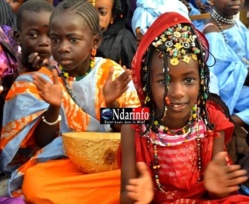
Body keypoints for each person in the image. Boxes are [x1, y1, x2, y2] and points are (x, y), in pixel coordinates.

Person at [1, 0, 140, 203]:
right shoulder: (41, 80)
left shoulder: (110, 73)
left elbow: (137, 124)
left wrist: (112, 106)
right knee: (35, 183)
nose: (63, 48)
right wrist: (54, 107)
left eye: (73, 40)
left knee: (130, 181)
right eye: (55, 39)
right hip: (64, 164)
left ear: (94, 42)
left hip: (109, 164)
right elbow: (43, 143)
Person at [120, 11, 249, 203]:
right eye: (164, 81)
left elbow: (218, 194)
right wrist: (137, 198)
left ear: (202, 81)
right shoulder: (133, 126)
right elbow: (125, 197)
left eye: (189, 80)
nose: (178, 92)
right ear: (147, 83)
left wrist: (217, 190)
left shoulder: (213, 121)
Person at [202, 0, 249, 131]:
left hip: (242, 86)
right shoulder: (213, 33)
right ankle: (230, 122)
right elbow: (218, 82)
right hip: (231, 93)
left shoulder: (236, 24)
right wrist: (245, 72)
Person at [92, 0, 137, 68]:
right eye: (88, 10)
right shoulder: (74, 34)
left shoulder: (125, 40)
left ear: (113, 15)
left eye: (102, 13)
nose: (93, 17)